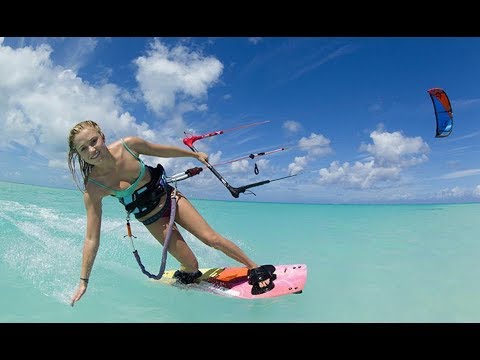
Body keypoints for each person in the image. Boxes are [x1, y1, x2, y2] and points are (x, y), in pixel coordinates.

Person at [68, 120, 276, 306]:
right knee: (192, 265)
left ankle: (254, 268)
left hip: (171, 198)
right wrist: (83, 281)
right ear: (79, 154)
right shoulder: (93, 187)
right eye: (83, 149)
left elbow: (164, 151)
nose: (91, 150)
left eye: (93, 141)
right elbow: (91, 238)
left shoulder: (128, 146)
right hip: (151, 218)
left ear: (102, 137)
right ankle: (184, 274)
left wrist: (195, 155)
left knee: (211, 238)